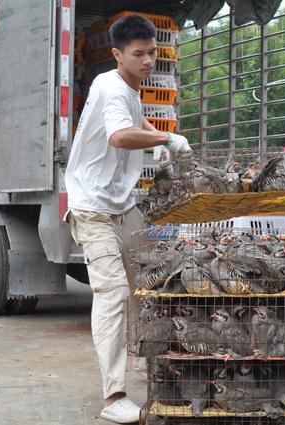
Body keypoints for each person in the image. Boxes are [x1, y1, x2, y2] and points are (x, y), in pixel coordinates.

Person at [64, 15, 191, 423]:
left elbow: (135, 122)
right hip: (92, 209)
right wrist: (167, 138)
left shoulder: (131, 91)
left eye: (153, 52)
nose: (149, 61)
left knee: (150, 287)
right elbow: (120, 134)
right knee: (114, 293)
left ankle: (152, 367)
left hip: (123, 207)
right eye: (139, 54)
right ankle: (113, 396)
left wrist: (155, 137)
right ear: (117, 54)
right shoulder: (109, 85)